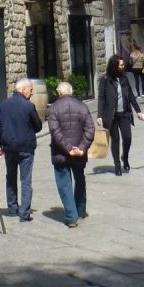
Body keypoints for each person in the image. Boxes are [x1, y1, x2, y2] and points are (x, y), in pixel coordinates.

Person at [0, 77, 43, 221]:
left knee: (11, 177)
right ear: (23, 89)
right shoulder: (28, 106)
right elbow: (38, 126)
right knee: (26, 180)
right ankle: (25, 212)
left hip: (9, 147)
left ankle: (12, 208)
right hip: (26, 147)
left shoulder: (4, 105)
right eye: (30, 90)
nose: (32, 93)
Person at [46, 81, 94, 228]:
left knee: (64, 184)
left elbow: (55, 133)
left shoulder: (53, 108)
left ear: (59, 93)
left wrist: (68, 149)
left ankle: (71, 216)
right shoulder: (83, 106)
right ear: (71, 92)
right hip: (79, 153)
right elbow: (90, 130)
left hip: (61, 153)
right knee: (80, 179)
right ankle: (80, 210)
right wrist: (81, 148)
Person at [97, 54, 142, 175]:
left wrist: (138, 110)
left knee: (127, 137)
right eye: (121, 65)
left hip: (125, 113)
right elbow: (101, 98)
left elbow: (131, 95)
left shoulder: (124, 78)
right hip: (111, 115)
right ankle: (117, 164)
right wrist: (99, 116)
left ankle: (125, 157)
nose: (123, 66)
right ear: (114, 66)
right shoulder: (105, 80)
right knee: (115, 139)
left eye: (123, 64)